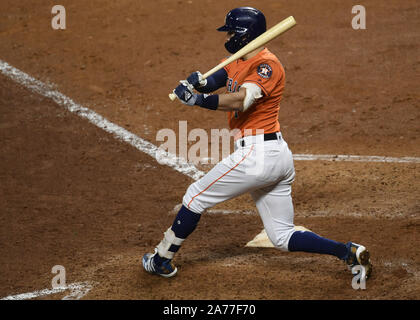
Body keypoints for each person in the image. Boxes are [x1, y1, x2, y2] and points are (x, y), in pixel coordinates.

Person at [142, 7, 372, 279]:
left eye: (229, 31)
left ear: (242, 34)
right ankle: (347, 252)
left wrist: (197, 101)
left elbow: (242, 99)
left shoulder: (267, 65)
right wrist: (197, 84)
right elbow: (215, 80)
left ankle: (162, 259)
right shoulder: (236, 60)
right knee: (282, 236)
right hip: (275, 157)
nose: (226, 36)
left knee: (195, 196)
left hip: (257, 155)